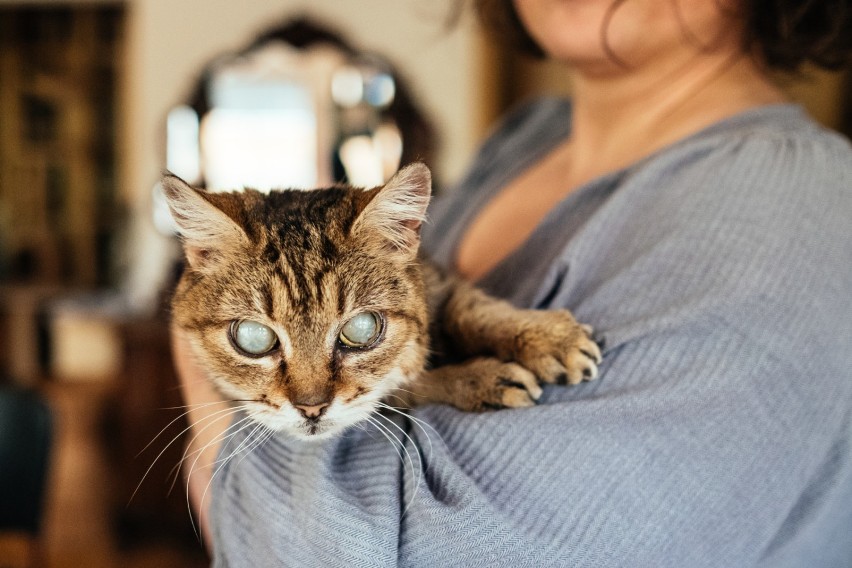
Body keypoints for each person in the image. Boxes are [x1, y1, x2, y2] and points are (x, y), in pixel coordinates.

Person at [172, 0, 852, 565]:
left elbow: (324, 549)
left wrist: (207, 409)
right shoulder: (524, 138)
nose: (311, 396)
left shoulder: (801, 210)